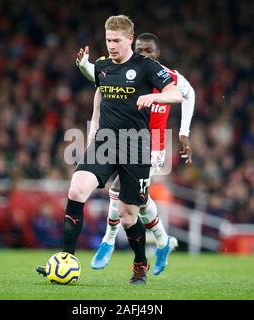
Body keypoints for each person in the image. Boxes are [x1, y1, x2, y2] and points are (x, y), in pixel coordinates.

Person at [37, 15, 183, 284]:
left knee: (128, 216)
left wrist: (154, 95)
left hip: (136, 147)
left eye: (117, 40)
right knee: (77, 188)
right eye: (108, 40)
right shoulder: (103, 65)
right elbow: (100, 90)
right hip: (105, 142)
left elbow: (176, 94)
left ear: (130, 39)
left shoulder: (146, 66)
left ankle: (140, 264)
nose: (112, 45)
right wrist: (93, 124)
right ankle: (65, 259)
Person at [75, 32, 195, 275]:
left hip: (152, 149)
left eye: (149, 51)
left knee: (119, 191)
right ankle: (163, 242)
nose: (143, 55)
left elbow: (188, 93)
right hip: (124, 143)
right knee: (138, 202)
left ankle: (108, 240)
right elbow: (100, 83)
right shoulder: (127, 74)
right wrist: (85, 66)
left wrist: (184, 132)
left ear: (157, 54)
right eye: (140, 51)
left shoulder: (167, 78)